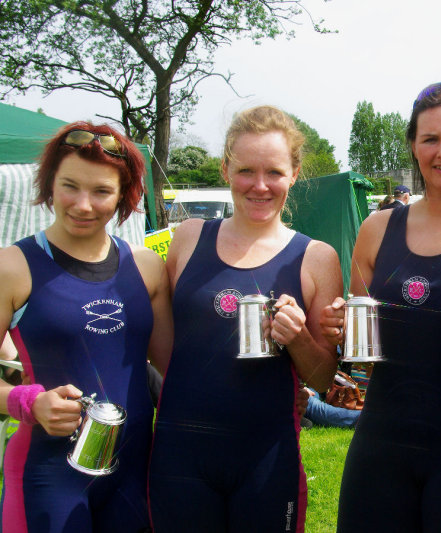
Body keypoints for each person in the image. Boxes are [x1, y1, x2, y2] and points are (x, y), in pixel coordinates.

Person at [321, 82, 441, 532]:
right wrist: (337, 326)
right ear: (413, 146)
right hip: (383, 443)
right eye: (430, 139)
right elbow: (359, 341)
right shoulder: (377, 229)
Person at [148, 105, 341, 532]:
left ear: (294, 173)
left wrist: (298, 341)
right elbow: (166, 345)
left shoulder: (317, 258)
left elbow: (325, 377)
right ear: (225, 169)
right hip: (180, 456)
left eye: (274, 172)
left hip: (266, 462)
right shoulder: (188, 237)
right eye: (245, 171)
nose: (259, 185)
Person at [0, 122, 172, 532]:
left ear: (124, 195)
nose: (83, 205)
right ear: (49, 185)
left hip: (133, 474)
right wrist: (28, 402)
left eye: (101, 192)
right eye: (69, 186)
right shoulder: (12, 267)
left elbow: (177, 369)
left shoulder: (147, 268)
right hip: (47, 475)